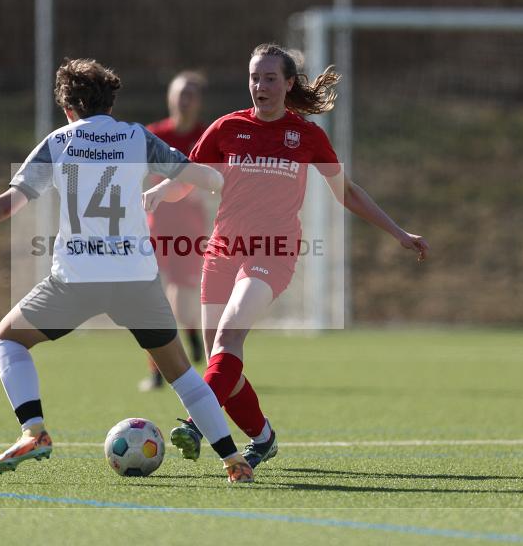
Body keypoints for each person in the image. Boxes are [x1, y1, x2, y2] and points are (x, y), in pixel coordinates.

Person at [0, 58, 254, 483]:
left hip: (77, 280)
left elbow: (10, 203)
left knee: (8, 338)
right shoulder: (135, 137)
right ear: (111, 101)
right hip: (135, 281)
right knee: (182, 373)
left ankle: (34, 430)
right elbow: (202, 179)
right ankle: (233, 459)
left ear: (68, 107)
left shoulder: (59, 141)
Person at [144, 43, 430, 469]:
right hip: (222, 253)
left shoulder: (307, 136)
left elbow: (346, 192)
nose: (260, 86)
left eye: (270, 78)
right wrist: (154, 194)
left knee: (228, 341)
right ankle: (263, 437)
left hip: (272, 254)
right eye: (254, 77)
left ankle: (195, 423)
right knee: (226, 366)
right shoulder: (226, 128)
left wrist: (397, 231)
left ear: (289, 83)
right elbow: (189, 178)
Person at [139, 71, 210, 391]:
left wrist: (203, 189)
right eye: (181, 93)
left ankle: (192, 332)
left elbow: (217, 177)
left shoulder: (206, 136)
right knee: (154, 300)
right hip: (156, 228)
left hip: (189, 231)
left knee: (181, 298)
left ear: (198, 102)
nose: (185, 100)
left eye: (191, 94)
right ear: (170, 98)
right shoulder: (154, 134)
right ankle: (156, 371)